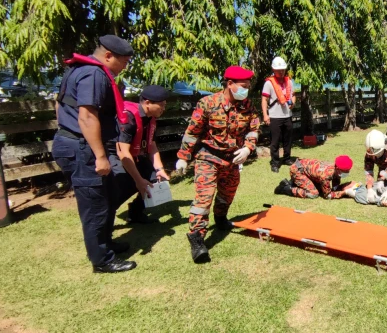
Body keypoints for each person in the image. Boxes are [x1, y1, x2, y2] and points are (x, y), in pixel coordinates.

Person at [51, 35, 136, 273]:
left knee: (108, 196)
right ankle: (102, 260)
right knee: (95, 204)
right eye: (124, 61)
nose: (125, 66)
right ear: (108, 56)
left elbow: (60, 106)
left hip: (79, 143)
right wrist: (99, 156)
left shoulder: (80, 68)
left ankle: (106, 243)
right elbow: (87, 116)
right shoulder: (94, 74)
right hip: (83, 148)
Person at [175, 66, 260, 263]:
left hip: (232, 158)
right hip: (208, 157)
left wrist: (248, 148)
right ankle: (197, 238)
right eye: (243, 86)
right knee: (204, 198)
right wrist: (183, 156)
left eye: (248, 86)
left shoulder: (247, 105)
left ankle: (221, 219)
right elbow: (193, 131)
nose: (246, 90)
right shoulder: (207, 103)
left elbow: (254, 129)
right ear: (229, 84)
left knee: (227, 193)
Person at [111, 85, 171, 224]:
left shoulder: (151, 118)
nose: (163, 108)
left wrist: (159, 169)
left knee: (154, 180)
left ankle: (135, 213)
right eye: (161, 105)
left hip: (136, 156)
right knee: (125, 187)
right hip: (117, 156)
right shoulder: (129, 117)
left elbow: (152, 145)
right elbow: (122, 152)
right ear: (148, 103)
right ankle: (104, 217)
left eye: (164, 105)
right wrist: (138, 180)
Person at [261, 56, 296, 173]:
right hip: (275, 116)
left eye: (283, 70)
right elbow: (264, 100)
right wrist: (265, 115)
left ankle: (287, 158)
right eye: (278, 70)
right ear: (273, 69)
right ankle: (275, 162)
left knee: (288, 139)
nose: (281, 72)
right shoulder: (269, 84)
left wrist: (293, 102)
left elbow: (294, 95)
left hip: (287, 115)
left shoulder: (289, 81)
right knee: (275, 141)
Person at [274, 155, 356, 199]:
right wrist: (345, 192)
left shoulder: (334, 169)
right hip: (297, 171)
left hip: (303, 168)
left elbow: (335, 182)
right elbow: (327, 196)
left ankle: (295, 183)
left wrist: (338, 188)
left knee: (320, 188)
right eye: (346, 171)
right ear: (338, 169)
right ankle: (286, 188)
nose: (347, 172)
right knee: (314, 194)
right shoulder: (326, 175)